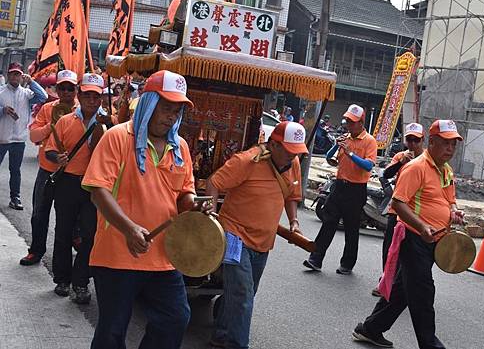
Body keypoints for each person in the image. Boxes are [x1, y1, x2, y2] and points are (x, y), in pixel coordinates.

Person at [83, 70, 196, 348]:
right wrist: (129, 228)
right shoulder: (118, 138)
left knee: (176, 318)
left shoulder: (180, 146)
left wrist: (194, 204)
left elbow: (184, 194)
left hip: (164, 257)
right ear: (148, 103)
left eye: (176, 109)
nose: (171, 115)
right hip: (119, 254)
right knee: (112, 331)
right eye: (165, 107)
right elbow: (98, 191)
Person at [352, 120, 464, 349]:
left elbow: (449, 199)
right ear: (431, 142)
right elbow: (398, 202)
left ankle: (370, 329)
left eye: (454, 144)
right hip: (414, 238)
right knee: (423, 292)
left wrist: (454, 211)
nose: (450, 149)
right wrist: (422, 226)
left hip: (433, 239)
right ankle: (430, 345)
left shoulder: (446, 169)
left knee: (403, 289)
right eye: (446, 143)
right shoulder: (416, 168)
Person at [206, 120, 307, 349]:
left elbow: (292, 195)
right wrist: (211, 217)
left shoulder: (294, 164)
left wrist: (294, 222)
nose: (293, 157)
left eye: (297, 152)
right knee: (243, 295)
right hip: (234, 236)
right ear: (274, 144)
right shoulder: (247, 161)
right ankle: (236, 344)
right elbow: (214, 182)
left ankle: (221, 334)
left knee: (244, 293)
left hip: (264, 241)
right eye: (290, 151)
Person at [45, 73, 107, 303]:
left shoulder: (107, 124)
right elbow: (49, 150)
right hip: (68, 183)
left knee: (90, 235)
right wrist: (57, 158)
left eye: (96, 96)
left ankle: (81, 282)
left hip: (93, 186)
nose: (92, 100)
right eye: (88, 95)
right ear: (80, 96)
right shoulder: (65, 121)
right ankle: (62, 278)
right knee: (63, 231)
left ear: (101, 99)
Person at [304, 104, 377, 274]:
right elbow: (329, 158)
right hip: (339, 186)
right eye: (348, 121)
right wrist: (337, 146)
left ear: (361, 122)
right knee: (328, 223)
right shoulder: (346, 137)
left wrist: (351, 153)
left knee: (351, 228)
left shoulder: (369, 141)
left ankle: (347, 263)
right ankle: (315, 258)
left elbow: (368, 166)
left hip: (356, 189)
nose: (348, 124)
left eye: (352, 122)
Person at [19, 70, 79, 266]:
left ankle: (65, 257)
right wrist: (52, 125)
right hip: (47, 170)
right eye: (62, 87)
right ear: (56, 89)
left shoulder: (82, 110)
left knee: (67, 218)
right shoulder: (47, 109)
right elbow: (34, 136)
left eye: (70, 88)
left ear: (76, 90)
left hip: (71, 173)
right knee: (39, 213)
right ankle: (36, 250)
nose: (66, 92)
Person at [371, 122, 424, 297]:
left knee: (412, 252)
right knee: (390, 248)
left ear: (422, 141)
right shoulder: (401, 156)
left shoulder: (427, 160)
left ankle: (403, 285)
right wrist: (401, 163)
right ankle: (385, 280)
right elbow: (386, 174)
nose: (412, 144)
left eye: (416, 140)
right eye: (409, 140)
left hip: (417, 214)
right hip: (397, 211)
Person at [0, 62, 48, 210]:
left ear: (22, 77)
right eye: (13, 74)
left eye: (18, 74)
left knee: (15, 170)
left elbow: (43, 96)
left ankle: (15, 197)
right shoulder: (1, 91)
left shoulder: (27, 94)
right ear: (8, 75)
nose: (15, 77)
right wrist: (3, 110)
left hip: (19, 139)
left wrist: (32, 82)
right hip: (2, 137)